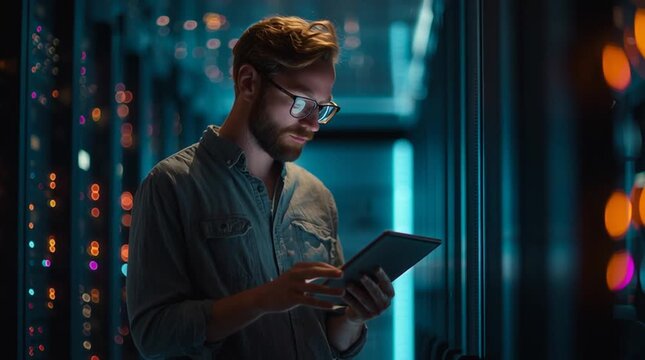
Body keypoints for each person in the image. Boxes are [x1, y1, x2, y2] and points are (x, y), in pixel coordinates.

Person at [126, 15, 395, 359]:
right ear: (249, 82)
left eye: (323, 109)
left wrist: (355, 314)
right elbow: (153, 335)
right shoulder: (172, 185)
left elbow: (331, 342)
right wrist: (263, 299)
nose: (313, 124)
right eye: (301, 102)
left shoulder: (317, 197)